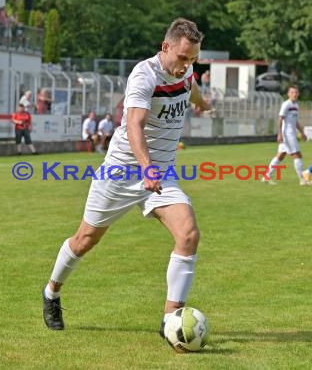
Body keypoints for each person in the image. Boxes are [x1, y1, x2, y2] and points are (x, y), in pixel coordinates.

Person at [41, 18, 211, 334]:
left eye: (193, 59)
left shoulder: (185, 70)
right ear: (166, 47)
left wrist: (204, 104)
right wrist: (145, 166)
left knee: (188, 234)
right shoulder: (144, 75)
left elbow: (191, 86)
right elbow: (134, 123)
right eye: (183, 58)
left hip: (160, 175)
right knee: (84, 240)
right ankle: (51, 291)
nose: (187, 65)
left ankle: (170, 320)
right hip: (121, 172)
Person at [261, 85, 310, 186]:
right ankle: (303, 180)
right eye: (292, 92)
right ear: (288, 94)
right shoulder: (286, 104)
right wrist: (279, 134)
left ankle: (266, 177)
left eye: (296, 92)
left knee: (280, 156)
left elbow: (295, 121)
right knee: (297, 155)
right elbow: (280, 119)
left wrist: (302, 132)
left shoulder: (296, 105)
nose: (294, 94)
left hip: (291, 133)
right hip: (287, 134)